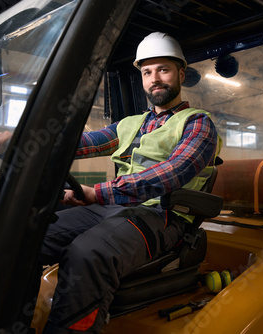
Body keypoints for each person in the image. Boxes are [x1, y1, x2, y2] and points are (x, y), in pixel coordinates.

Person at [38, 32, 220, 333]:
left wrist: (97, 193)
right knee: (33, 234)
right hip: (117, 206)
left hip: (162, 214)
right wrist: (30, 142)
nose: (154, 79)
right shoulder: (129, 124)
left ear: (181, 73)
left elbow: (172, 173)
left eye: (163, 69)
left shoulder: (197, 123)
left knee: (88, 253)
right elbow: (83, 142)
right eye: (147, 72)